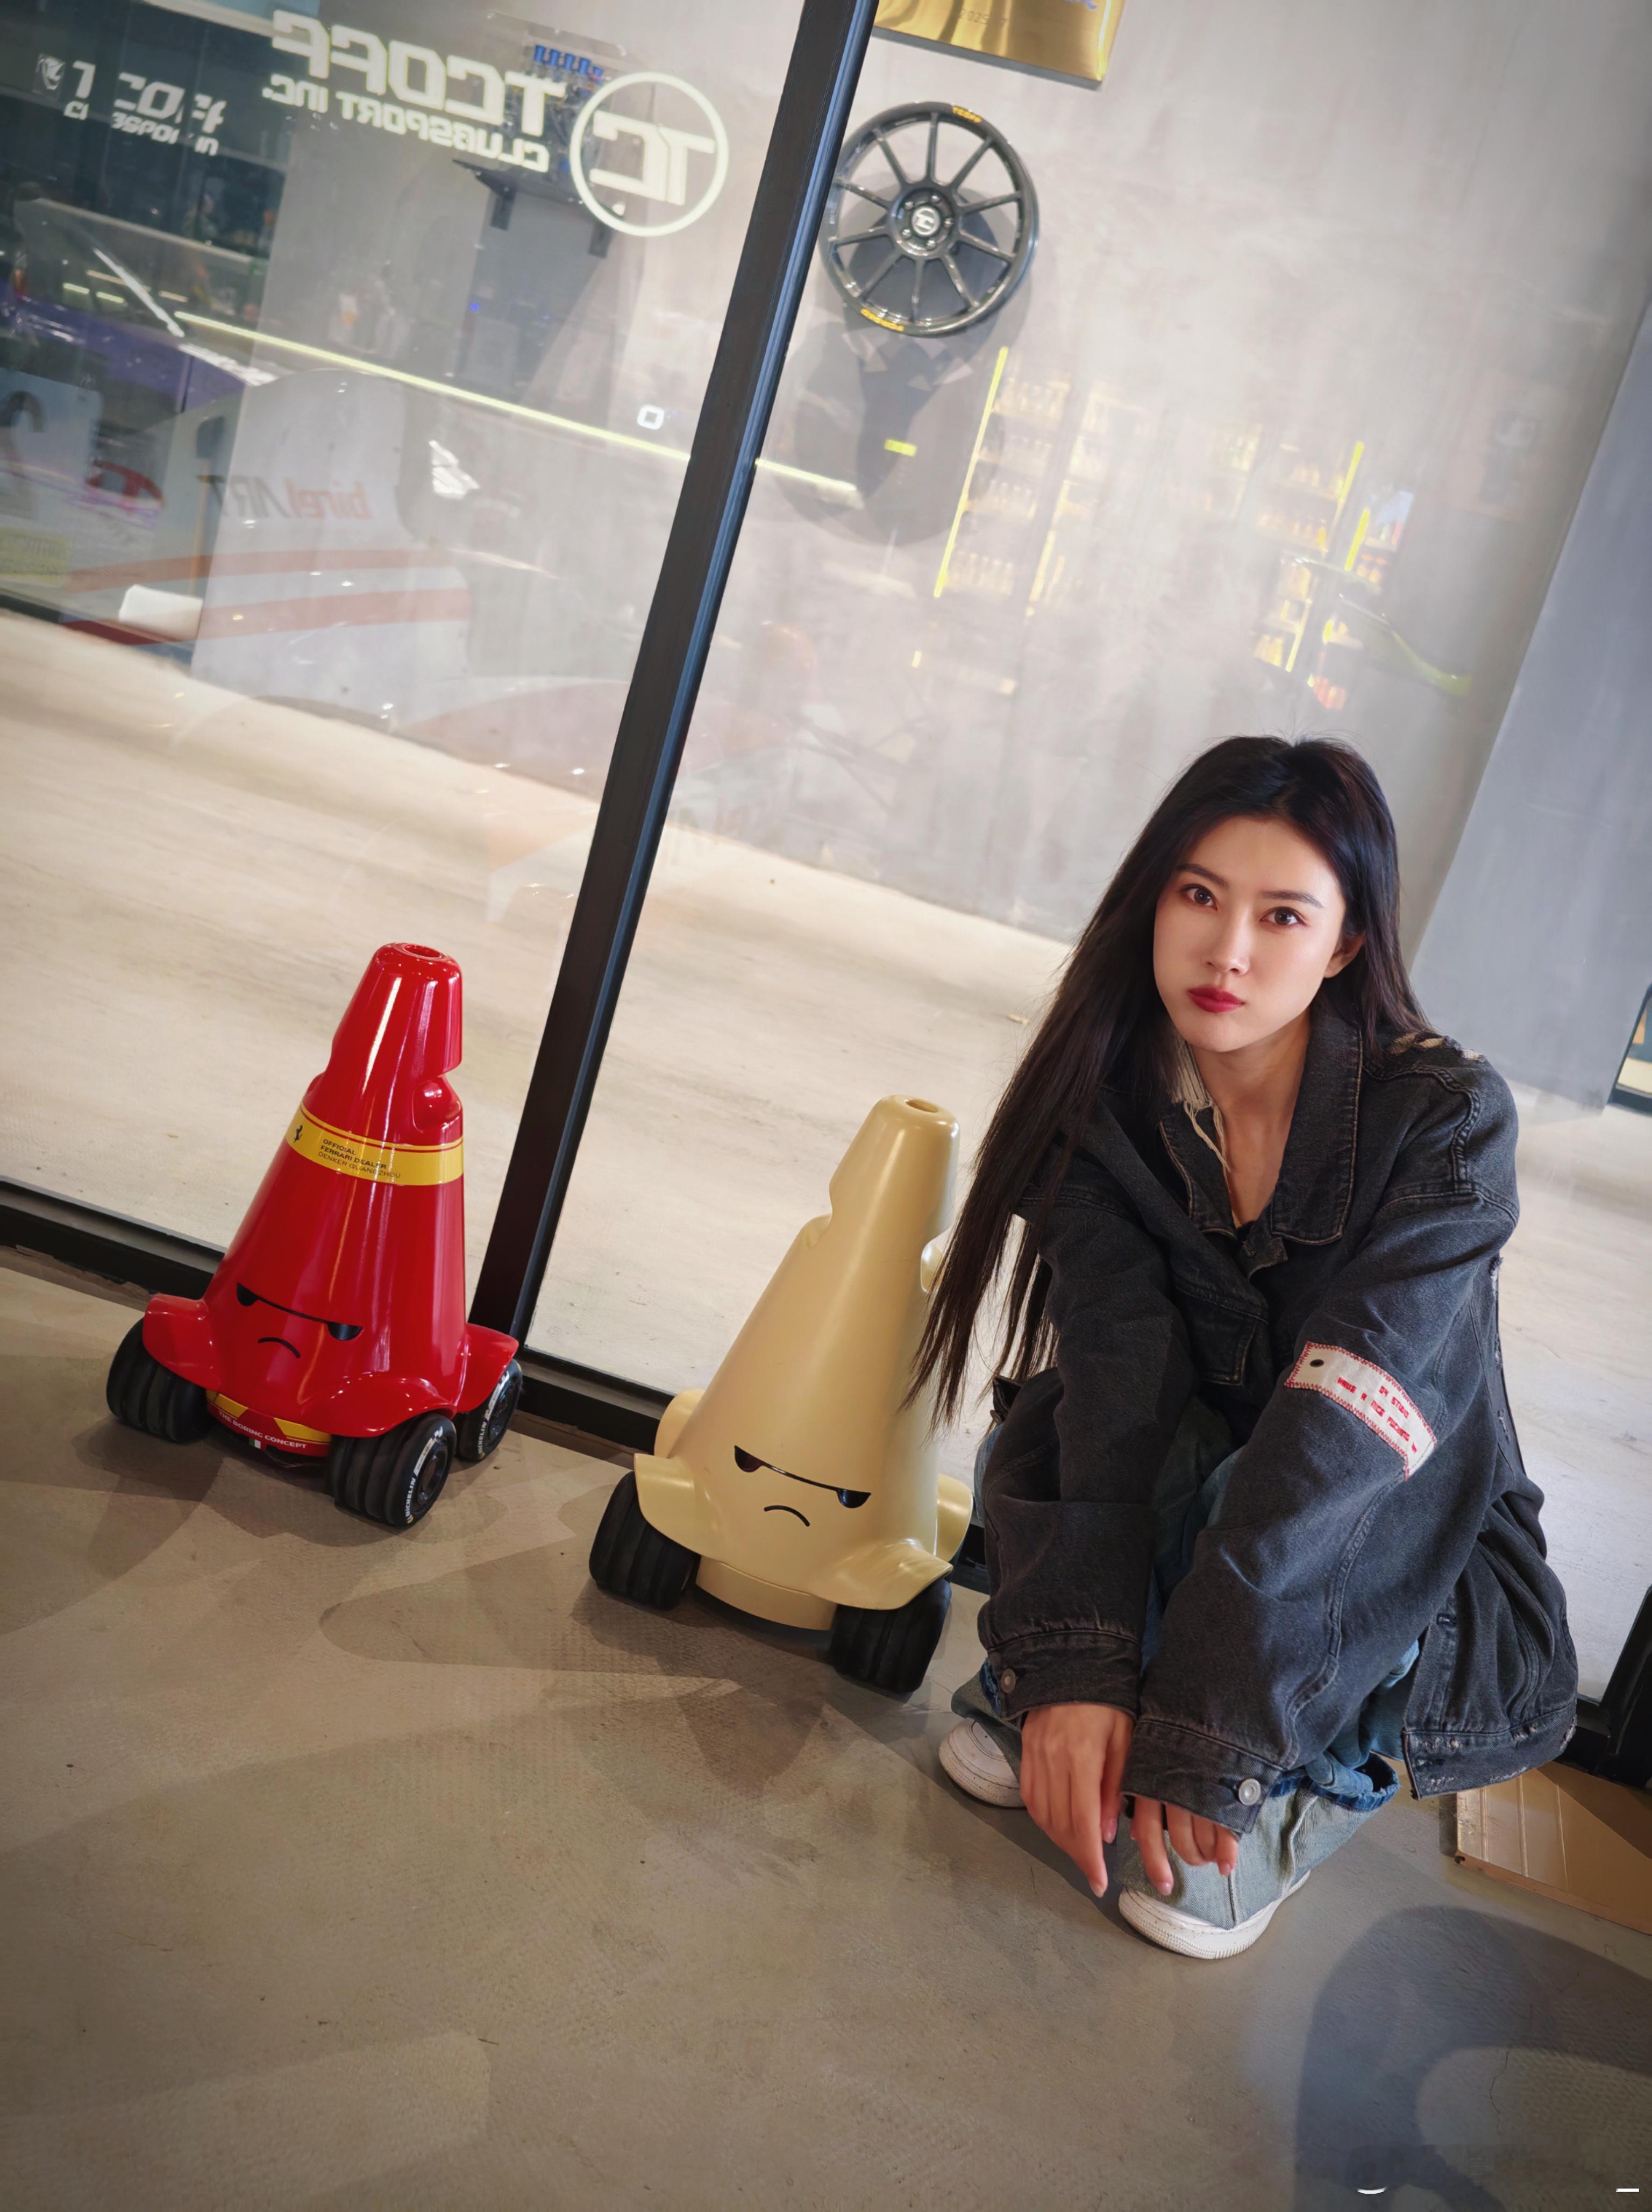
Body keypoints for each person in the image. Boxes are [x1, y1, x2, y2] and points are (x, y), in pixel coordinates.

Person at [917, 736, 1577, 1959]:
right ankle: (1091, 1706)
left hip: (1384, 1534)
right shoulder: (1105, 1100)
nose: (1226, 952)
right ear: (1152, 900)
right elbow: (1116, 1380)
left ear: (1347, 943)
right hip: (1217, 1493)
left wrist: (1208, 1734)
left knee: (1291, 1481)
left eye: (1282, 916)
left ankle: (1291, 1781)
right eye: (1199, 895)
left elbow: (1341, 1438)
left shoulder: (1443, 1119)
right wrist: (1077, 1667)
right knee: (1070, 1415)